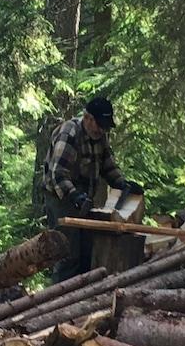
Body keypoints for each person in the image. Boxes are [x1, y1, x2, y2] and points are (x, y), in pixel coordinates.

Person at [40, 96, 143, 278]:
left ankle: (82, 297)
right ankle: (59, 300)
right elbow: (58, 174)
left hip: (83, 198)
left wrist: (122, 184)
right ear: (87, 118)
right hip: (61, 198)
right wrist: (74, 196)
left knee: (88, 251)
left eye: (105, 126)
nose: (102, 130)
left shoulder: (100, 137)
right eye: (99, 124)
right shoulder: (69, 133)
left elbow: (108, 166)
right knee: (68, 254)